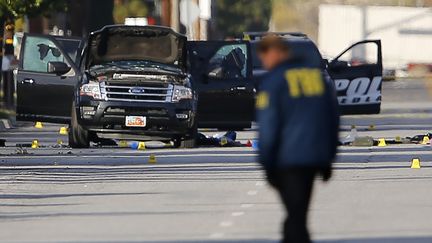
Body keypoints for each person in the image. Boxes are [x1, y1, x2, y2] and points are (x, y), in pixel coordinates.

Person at [255, 35, 339, 243]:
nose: (264, 62)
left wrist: (266, 162)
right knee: (298, 212)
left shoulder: (273, 82)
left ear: (276, 53)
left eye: (264, 56)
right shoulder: (317, 79)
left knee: (295, 215)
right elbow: (332, 119)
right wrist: (329, 157)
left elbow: (268, 126)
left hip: (287, 159)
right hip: (313, 158)